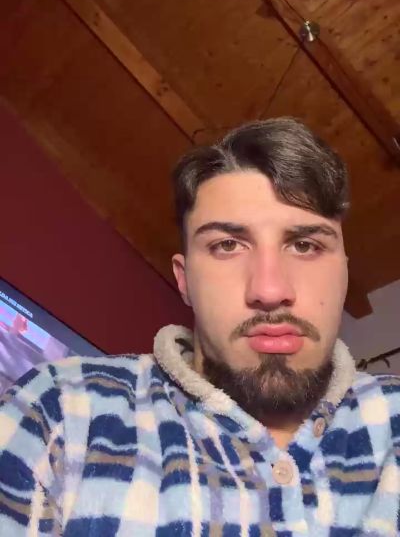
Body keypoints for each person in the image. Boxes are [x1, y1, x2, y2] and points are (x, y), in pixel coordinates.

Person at [0, 117, 399, 536]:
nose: (269, 290)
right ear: (184, 280)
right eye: (227, 245)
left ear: (345, 274)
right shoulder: (61, 409)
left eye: (305, 245)